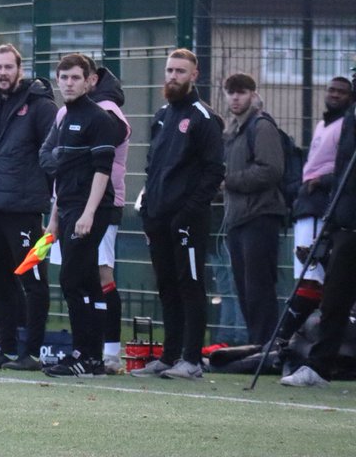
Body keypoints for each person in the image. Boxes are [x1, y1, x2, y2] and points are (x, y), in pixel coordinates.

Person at [131, 48, 224, 380]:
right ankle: (169, 357)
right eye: (170, 70)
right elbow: (153, 166)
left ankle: (192, 359)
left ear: (194, 75)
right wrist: (147, 210)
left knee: (191, 285)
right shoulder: (161, 115)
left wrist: (187, 211)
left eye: (180, 71)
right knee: (167, 286)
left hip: (187, 220)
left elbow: (214, 172)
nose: (173, 76)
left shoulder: (204, 118)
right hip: (157, 217)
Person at [0, 44, 58, 371]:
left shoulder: (39, 106)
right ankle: (0, 348)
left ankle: (30, 352)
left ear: (19, 68)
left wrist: (52, 205)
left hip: (23, 210)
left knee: (32, 281)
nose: (3, 72)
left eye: (8, 67)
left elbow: (52, 157)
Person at [38, 53, 125, 378]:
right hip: (69, 207)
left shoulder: (99, 118)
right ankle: (87, 355)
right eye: (64, 78)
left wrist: (88, 213)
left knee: (74, 279)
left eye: (76, 77)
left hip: (93, 209)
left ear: (89, 81)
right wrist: (55, 218)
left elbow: (103, 170)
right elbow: (57, 169)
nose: (69, 83)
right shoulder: (63, 118)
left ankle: (87, 355)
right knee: (82, 280)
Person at [282, 93, 356, 387]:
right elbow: (341, 171)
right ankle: (319, 366)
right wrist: (333, 215)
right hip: (346, 222)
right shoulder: (350, 117)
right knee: (334, 298)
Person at [221, 72, 287, 347]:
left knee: (258, 288)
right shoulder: (233, 131)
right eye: (232, 92)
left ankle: (265, 346)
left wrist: (230, 181)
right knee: (245, 289)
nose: (236, 97)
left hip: (259, 216)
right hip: (238, 218)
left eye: (242, 92)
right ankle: (257, 345)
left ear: (253, 94)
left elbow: (271, 169)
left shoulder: (260, 126)